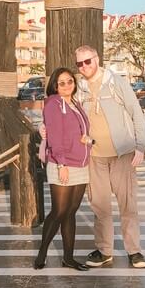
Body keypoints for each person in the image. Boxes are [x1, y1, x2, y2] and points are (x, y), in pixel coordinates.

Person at [75, 46, 145, 269]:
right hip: (94, 156)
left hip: (122, 153)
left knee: (128, 205)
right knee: (100, 207)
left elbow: (136, 112)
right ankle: (104, 250)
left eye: (87, 61)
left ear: (97, 59)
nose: (84, 67)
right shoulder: (79, 88)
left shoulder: (116, 82)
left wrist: (140, 146)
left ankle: (134, 251)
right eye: (79, 63)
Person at [34, 67, 92, 271]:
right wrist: (61, 164)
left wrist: (88, 140)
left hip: (81, 163)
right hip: (63, 164)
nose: (67, 85)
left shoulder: (75, 103)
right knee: (59, 211)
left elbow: (80, 130)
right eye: (62, 83)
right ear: (55, 86)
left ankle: (68, 258)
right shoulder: (53, 104)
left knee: (70, 212)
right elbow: (56, 136)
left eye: (70, 81)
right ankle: (42, 252)